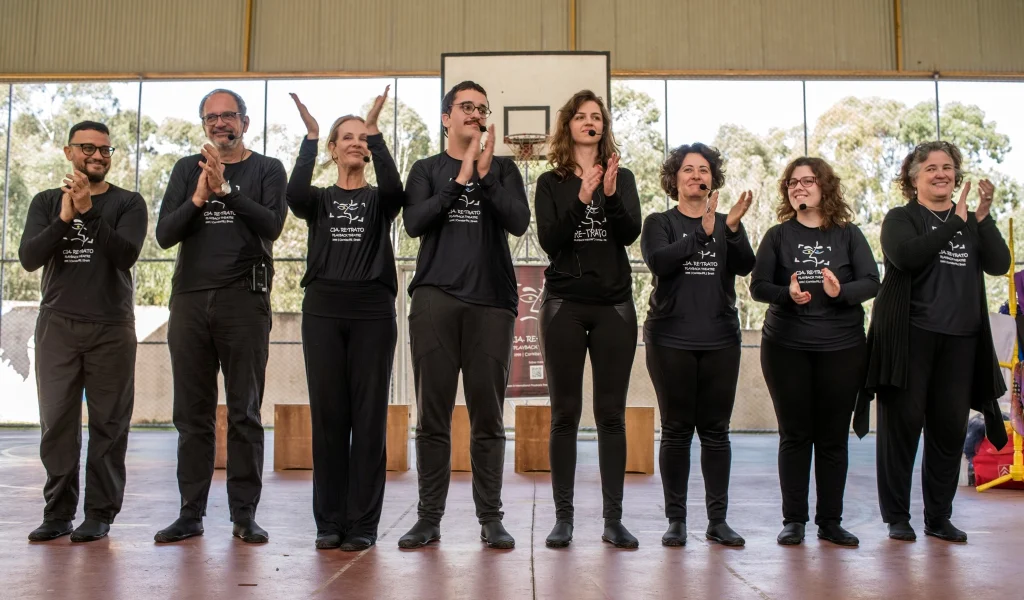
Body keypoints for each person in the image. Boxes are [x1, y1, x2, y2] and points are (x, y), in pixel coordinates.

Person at [397, 81, 530, 550]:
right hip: (435, 300)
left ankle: (490, 518)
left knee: (488, 418)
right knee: (432, 417)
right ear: (446, 118)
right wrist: (460, 179)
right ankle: (428, 518)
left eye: (482, 108)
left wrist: (487, 172)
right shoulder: (427, 169)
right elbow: (414, 223)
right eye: (466, 107)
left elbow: (518, 222)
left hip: (492, 302)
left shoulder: (507, 170)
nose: (474, 114)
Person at [153, 89, 288, 544]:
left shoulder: (268, 169)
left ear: (244, 123)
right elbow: (165, 236)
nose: (219, 123)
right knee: (191, 415)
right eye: (211, 117)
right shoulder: (184, 169)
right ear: (204, 124)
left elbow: (272, 224)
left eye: (228, 115)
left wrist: (226, 191)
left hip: (243, 301)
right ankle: (190, 513)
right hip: (190, 300)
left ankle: (243, 515)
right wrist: (197, 196)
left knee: (245, 412)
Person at [861, 141, 1009, 543]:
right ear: (914, 177)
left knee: (947, 432)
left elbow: (1000, 264)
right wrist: (954, 225)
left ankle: (938, 517)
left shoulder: (969, 222)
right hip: (910, 340)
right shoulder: (901, 218)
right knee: (902, 429)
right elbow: (906, 257)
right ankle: (897, 517)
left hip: (961, 341)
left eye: (948, 167)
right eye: (931, 167)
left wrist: (982, 217)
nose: (941, 173)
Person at [286, 87, 404, 551]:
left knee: (369, 420)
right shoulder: (318, 200)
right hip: (322, 312)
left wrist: (376, 131)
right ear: (334, 149)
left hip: (373, 313)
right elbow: (294, 193)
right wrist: (311, 136)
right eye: (347, 137)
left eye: (362, 138)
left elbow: (398, 189)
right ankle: (329, 521)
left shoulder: (380, 201)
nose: (355, 142)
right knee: (330, 420)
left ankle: (363, 523)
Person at [19, 121, 147, 543]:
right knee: (57, 423)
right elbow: (29, 258)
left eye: (106, 150)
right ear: (68, 151)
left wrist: (89, 213)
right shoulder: (44, 202)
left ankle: (99, 514)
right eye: (88, 147)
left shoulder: (129, 203)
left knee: (110, 424)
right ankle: (57, 513)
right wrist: (64, 217)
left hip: (111, 326)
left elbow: (125, 256)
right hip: (57, 326)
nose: (98, 155)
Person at [750, 157, 879, 546]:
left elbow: (872, 281)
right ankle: (794, 521)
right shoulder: (777, 235)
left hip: (842, 348)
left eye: (808, 181)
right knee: (794, 434)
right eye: (792, 182)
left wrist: (842, 292)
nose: (799, 187)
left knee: (832, 437)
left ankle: (830, 521)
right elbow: (758, 286)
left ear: (825, 186)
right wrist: (784, 294)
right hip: (786, 346)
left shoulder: (848, 234)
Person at [534, 90, 642, 549]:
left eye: (596, 117)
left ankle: (613, 521)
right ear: (568, 126)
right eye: (581, 116)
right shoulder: (550, 181)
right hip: (564, 305)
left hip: (614, 306)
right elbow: (551, 240)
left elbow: (630, 231)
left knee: (610, 415)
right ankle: (563, 519)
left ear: (604, 127)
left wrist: (611, 194)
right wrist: (581, 195)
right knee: (565, 414)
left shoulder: (624, 176)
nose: (589, 122)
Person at [640, 143, 755, 547]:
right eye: (687, 170)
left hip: (721, 339)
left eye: (703, 170)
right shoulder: (659, 221)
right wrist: (702, 234)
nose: (695, 176)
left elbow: (744, 266)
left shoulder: (728, 223)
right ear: (674, 179)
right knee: (675, 431)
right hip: (670, 337)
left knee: (716, 432)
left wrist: (733, 229)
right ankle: (676, 520)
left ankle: (717, 520)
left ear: (712, 180)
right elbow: (660, 262)